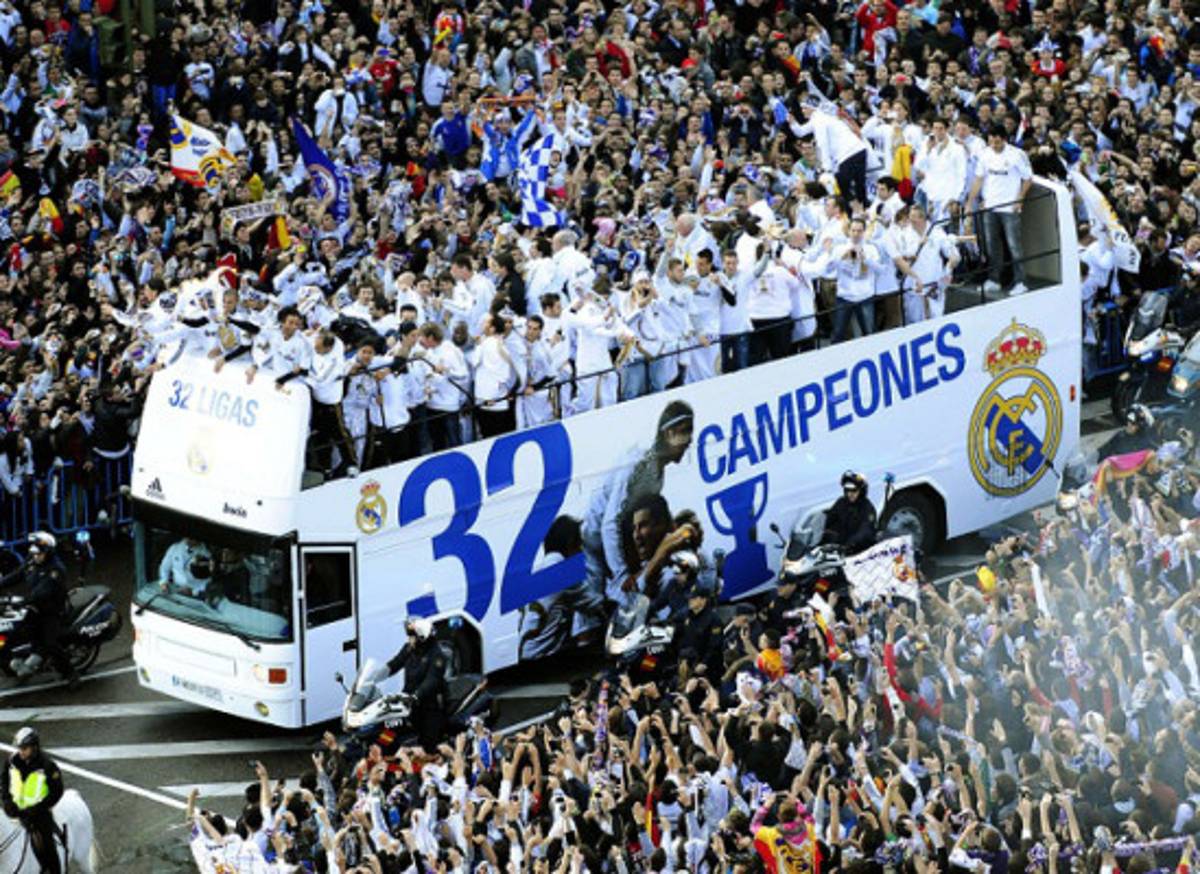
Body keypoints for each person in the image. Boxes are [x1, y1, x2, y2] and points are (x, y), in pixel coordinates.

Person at [15, 533, 77, 686]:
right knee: (18, 632)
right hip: (35, 607)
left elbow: (42, 592)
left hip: (51, 611)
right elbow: (18, 574)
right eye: (34, 553)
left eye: (39, 553)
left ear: (48, 552)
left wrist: (23, 601)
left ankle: (71, 674)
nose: (35, 556)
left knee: (50, 644)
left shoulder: (56, 569)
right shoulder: (32, 560)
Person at [4, 727, 65, 874]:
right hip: (14, 812)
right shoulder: (11, 762)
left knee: (48, 848)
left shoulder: (47, 766)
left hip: (38, 815)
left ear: (34, 747)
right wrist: (7, 801)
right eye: (19, 748)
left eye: (25, 748)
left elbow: (57, 791)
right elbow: (4, 783)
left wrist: (39, 808)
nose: (21, 752)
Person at [382, 618, 448, 752]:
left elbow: (432, 680)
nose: (409, 639)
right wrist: (378, 674)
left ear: (421, 638)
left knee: (428, 744)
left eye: (412, 636)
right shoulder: (409, 649)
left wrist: (416, 695)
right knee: (390, 727)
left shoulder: (437, 656)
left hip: (429, 704)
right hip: (408, 700)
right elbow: (394, 664)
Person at [820, 471, 877, 554]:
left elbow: (865, 530)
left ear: (861, 491)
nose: (850, 494)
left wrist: (850, 544)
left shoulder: (867, 508)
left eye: (854, 491)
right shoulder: (841, 503)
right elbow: (830, 518)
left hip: (860, 551)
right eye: (847, 490)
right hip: (840, 547)